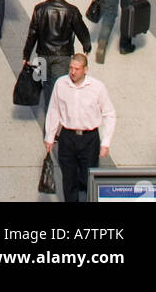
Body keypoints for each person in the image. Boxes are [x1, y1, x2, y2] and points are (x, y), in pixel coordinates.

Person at [44, 54, 115, 203]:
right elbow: (54, 110)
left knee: (88, 178)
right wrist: (50, 137)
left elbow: (109, 114)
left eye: (77, 69)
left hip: (89, 139)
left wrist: (106, 142)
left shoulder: (97, 87)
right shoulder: (60, 84)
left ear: (85, 70)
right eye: (71, 68)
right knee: (68, 178)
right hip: (67, 137)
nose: (73, 72)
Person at [22, 0, 91, 109]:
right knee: (60, 86)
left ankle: (49, 114)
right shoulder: (72, 10)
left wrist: (26, 55)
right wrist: (87, 47)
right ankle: (56, 115)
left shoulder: (40, 9)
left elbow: (32, 34)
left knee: (46, 84)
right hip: (63, 55)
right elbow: (81, 30)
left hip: (42, 54)